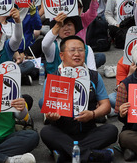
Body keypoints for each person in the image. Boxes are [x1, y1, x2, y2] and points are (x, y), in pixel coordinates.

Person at [40, 35, 118, 163]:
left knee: (111, 130)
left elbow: (106, 106)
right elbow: (48, 110)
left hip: (89, 131)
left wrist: (93, 114)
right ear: (62, 55)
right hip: (62, 132)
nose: (77, 54)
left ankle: (66, 153)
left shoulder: (93, 76)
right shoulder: (53, 78)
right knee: (46, 132)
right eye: (72, 50)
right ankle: (91, 155)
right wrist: (51, 116)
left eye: (81, 50)